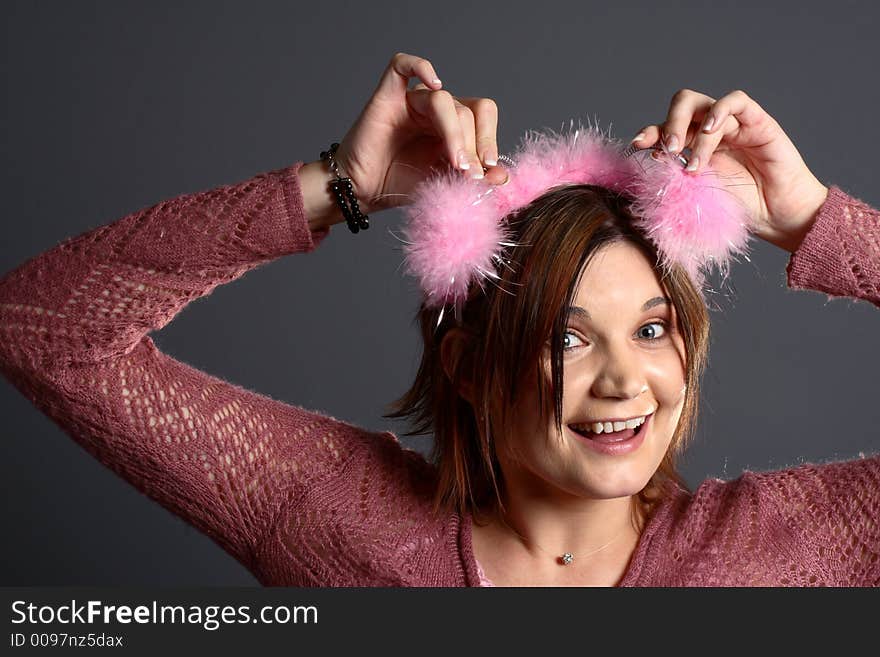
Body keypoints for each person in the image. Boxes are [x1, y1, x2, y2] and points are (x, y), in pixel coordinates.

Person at [0, 52, 876, 587]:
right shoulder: (334, 519)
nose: (623, 379)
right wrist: (338, 186)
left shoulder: (789, 548)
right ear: (465, 365)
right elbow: (41, 329)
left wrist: (810, 220)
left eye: (652, 329)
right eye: (563, 336)